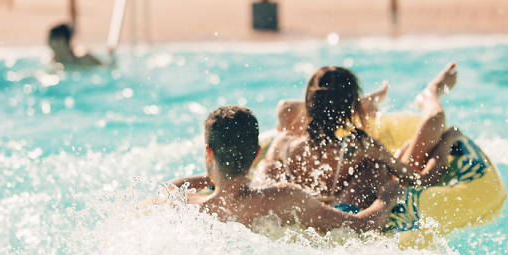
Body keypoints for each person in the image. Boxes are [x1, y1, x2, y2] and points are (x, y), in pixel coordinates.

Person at [256, 63, 463, 211]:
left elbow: (287, 108)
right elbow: (421, 180)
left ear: (309, 104)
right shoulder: (362, 147)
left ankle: (362, 103)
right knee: (377, 169)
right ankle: (431, 93)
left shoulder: (282, 145)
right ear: (351, 108)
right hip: (348, 219)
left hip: (300, 216)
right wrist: (446, 143)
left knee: (269, 167)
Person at [169, 106, 404, 233]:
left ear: (209, 153)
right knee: (373, 171)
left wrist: (211, 178)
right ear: (256, 154)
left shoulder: (184, 205)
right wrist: (387, 198)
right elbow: (362, 226)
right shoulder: (283, 198)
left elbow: (171, 188)